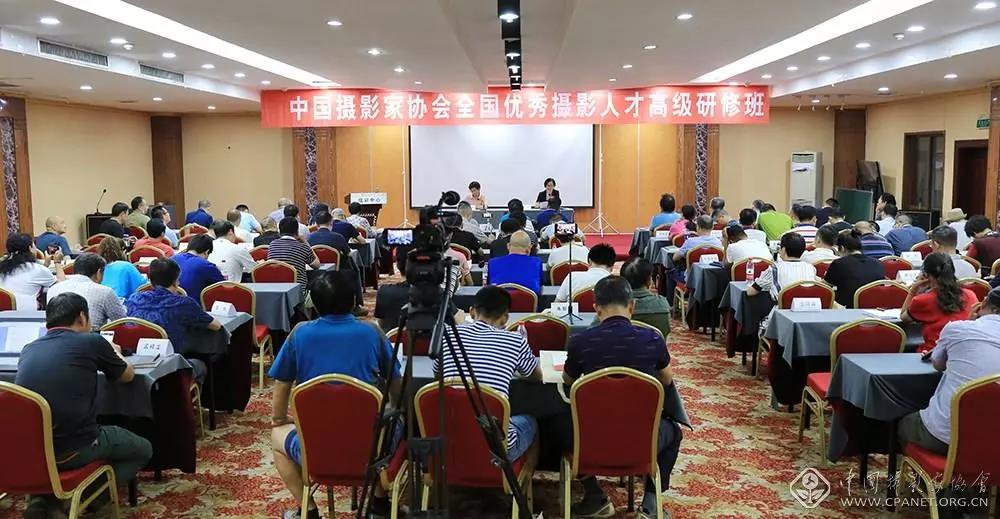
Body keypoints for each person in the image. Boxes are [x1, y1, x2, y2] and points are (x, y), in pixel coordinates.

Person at [269, 270, 400, 519]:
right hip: (372, 445)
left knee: (277, 437)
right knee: (395, 425)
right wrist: (395, 410)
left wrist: (278, 419)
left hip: (316, 444)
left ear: (314, 304)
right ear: (353, 301)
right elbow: (395, 379)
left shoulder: (299, 333)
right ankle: (380, 501)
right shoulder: (372, 332)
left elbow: (282, 382)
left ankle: (308, 510)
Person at [16, 293, 152, 517]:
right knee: (143, 449)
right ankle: (87, 498)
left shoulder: (29, 348)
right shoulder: (91, 341)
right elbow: (127, 376)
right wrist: (116, 353)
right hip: (75, 448)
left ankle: (45, 500)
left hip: (34, 451)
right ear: (82, 317)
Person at [563, 276, 682, 518]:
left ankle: (594, 496)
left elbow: (568, 380)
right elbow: (666, 380)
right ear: (632, 306)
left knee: (560, 427)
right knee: (674, 432)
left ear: (596, 308)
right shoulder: (653, 339)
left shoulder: (581, 342)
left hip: (590, 439)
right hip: (643, 439)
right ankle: (651, 503)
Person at [439, 286, 541, 461]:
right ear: (505, 318)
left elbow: (438, 374)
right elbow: (536, 375)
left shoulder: (447, 335)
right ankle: (521, 476)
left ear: (472, 311)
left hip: (449, 440)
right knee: (531, 422)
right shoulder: (515, 340)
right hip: (496, 448)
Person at [899, 286, 1000, 456]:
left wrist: (969, 322)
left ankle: (926, 471)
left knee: (905, 424)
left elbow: (938, 365)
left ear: (983, 304)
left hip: (946, 438)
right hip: (995, 442)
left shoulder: (956, 329)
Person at [127, 258, 222, 351]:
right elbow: (216, 326)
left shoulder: (134, 299)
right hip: (174, 355)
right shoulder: (183, 303)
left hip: (136, 352)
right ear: (176, 282)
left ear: (150, 280)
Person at [900, 252, 978, 353]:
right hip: (966, 351)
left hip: (932, 353)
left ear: (926, 275)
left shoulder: (922, 300)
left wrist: (913, 291)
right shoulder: (971, 295)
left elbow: (903, 317)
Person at [46, 253, 126, 329]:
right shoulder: (105, 291)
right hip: (91, 336)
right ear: (99, 272)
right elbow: (121, 321)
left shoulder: (53, 289)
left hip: (54, 337)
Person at [823, 230, 886, 308]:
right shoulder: (878, 262)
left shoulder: (839, 263)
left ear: (842, 248)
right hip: (875, 308)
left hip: (848, 308)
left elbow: (824, 286)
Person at [0, 233, 62, 310]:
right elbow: (62, 286)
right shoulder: (37, 269)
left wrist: (45, 265)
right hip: (27, 313)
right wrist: (57, 262)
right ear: (30, 248)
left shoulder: (2, 267)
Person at [746, 233, 816, 300]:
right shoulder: (811, 268)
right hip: (809, 305)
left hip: (783, 306)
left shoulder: (775, 269)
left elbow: (750, 292)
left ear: (783, 249)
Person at [621, 257, 672, 338]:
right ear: (649, 281)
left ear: (622, 281)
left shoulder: (612, 307)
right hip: (654, 345)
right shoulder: (662, 304)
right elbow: (665, 332)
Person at [268, 217, 320, 293]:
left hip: (277, 291)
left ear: (279, 232)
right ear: (297, 231)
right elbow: (317, 265)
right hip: (299, 293)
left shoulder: (272, 245)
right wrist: (305, 241)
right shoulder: (303, 247)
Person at [487, 231, 543, 296]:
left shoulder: (492, 263)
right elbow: (540, 290)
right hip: (528, 302)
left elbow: (489, 288)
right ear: (529, 248)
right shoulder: (536, 262)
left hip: (499, 301)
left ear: (508, 246)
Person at [173, 234, 225, 301]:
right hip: (195, 304)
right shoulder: (207, 265)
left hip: (170, 302)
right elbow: (223, 286)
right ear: (207, 252)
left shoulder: (172, 259)